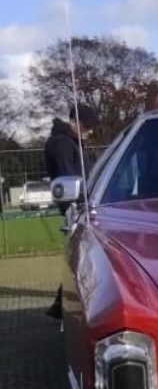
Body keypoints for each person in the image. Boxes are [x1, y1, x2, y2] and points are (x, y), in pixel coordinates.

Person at [43, 103, 99, 320]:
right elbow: (68, 178)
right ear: (75, 123)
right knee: (81, 257)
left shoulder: (72, 143)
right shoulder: (62, 145)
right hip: (74, 208)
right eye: (87, 126)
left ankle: (61, 303)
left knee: (80, 256)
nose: (90, 132)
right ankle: (65, 304)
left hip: (80, 206)